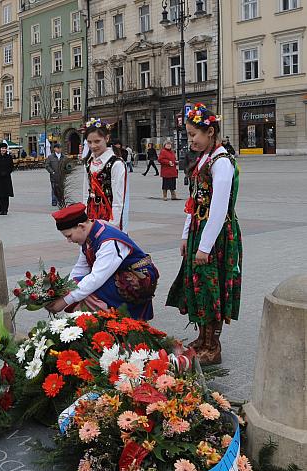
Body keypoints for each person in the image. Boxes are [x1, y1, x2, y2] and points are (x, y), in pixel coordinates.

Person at [166, 104, 241, 365]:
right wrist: (187, 235)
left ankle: (213, 346)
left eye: (193, 134)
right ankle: (202, 337)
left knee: (212, 286)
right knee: (197, 286)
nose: (191, 140)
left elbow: (218, 209)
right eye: (187, 135)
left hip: (217, 235)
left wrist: (205, 246)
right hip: (201, 230)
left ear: (210, 132)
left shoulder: (222, 163)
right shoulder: (204, 160)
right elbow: (194, 202)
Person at [46, 203, 158, 320]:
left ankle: (110, 325)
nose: (68, 241)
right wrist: (64, 291)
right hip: (119, 274)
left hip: (138, 278)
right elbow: (80, 270)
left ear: (81, 226)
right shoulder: (90, 233)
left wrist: (65, 300)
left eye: (69, 236)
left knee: (89, 291)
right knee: (81, 286)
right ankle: (96, 325)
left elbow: (96, 278)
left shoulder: (108, 241)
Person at [82, 118, 129, 233]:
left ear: (107, 138)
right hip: (91, 214)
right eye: (89, 142)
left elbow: (119, 200)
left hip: (108, 215)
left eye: (97, 141)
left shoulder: (116, 164)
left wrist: (113, 226)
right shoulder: (89, 163)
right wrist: (84, 217)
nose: (93, 146)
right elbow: (85, 193)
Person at [46, 142, 66, 207]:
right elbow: (47, 165)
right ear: (55, 149)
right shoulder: (50, 157)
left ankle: (61, 200)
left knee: (61, 188)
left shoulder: (64, 157)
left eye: (60, 148)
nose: (60, 149)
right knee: (54, 188)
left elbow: (67, 165)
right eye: (58, 148)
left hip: (62, 176)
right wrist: (52, 172)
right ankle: (54, 201)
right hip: (54, 176)